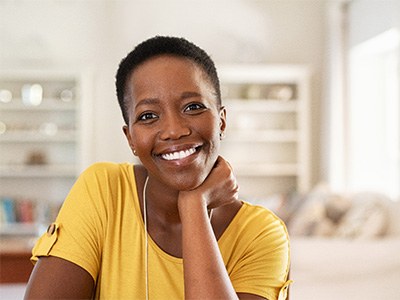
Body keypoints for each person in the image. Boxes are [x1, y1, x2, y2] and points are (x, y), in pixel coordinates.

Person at [24, 36, 291, 300]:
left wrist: (193, 205)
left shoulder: (261, 234)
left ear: (221, 122)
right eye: (148, 116)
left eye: (193, 107)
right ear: (130, 138)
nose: (174, 130)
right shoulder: (104, 190)